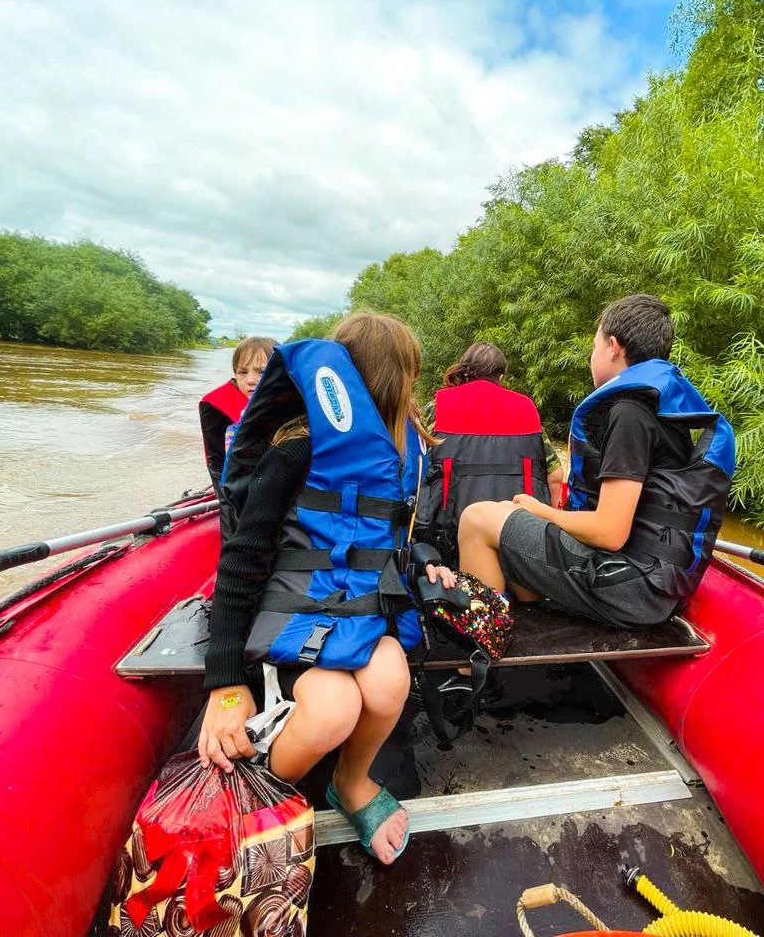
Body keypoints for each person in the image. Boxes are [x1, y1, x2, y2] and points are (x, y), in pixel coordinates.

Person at [197, 313, 454, 867]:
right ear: (397, 381)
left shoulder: (406, 459)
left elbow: (406, 535)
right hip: (289, 621)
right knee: (334, 706)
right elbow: (240, 561)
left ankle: (350, 781)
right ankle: (262, 797)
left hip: (359, 615)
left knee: (389, 681)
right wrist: (225, 686)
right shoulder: (293, 453)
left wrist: (428, 559)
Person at [456, 294, 735, 629]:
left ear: (613, 347)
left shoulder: (629, 412)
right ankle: (531, 625)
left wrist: (540, 510)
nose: (592, 356)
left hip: (629, 585)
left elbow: (610, 532)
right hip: (651, 582)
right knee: (505, 514)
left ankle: (470, 669)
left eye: (595, 345)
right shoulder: (661, 406)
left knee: (476, 518)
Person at [414, 342, 562, 565]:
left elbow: (414, 469)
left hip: (448, 539)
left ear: (463, 372)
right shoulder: (526, 409)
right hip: (518, 536)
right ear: (501, 377)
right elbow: (556, 477)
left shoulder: (437, 408)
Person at [198, 335, 276, 493]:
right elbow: (217, 465)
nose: (250, 380)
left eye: (261, 372)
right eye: (242, 372)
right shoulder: (218, 410)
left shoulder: (295, 404)